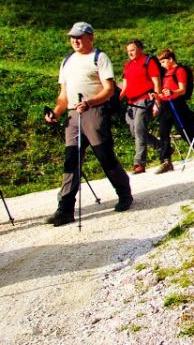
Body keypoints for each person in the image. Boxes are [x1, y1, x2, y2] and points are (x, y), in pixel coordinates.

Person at [43, 22, 132, 225]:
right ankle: (65, 208)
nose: (75, 40)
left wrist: (89, 102)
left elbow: (109, 89)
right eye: (72, 37)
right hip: (73, 115)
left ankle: (124, 193)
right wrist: (55, 112)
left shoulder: (99, 58)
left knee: (104, 155)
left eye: (79, 36)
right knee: (71, 158)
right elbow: (63, 95)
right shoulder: (67, 61)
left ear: (90, 37)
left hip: (95, 111)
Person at [155, 48, 194, 173]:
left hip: (177, 104)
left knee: (184, 131)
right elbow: (165, 91)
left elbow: (182, 90)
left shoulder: (179, 71)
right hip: (166, 104)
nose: (161, 64)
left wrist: (172, 92)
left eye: (163, 61)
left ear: (170, 59)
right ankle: (166, 161)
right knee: (163, 132)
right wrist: (157, 96)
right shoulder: (167, 73)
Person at [118, 39, 161, 174]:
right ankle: (162, 147)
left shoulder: (148, 61)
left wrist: (157, 101)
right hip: (131, 102)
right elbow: (125, 85)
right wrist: (118, 96)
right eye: (128, 51)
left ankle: (139, 163)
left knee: (139, 129)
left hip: (145, 99)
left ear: (140, 49)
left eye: (132, 50)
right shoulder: (128, 65)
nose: (130, 53)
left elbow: (156, 81)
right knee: (134, 130)